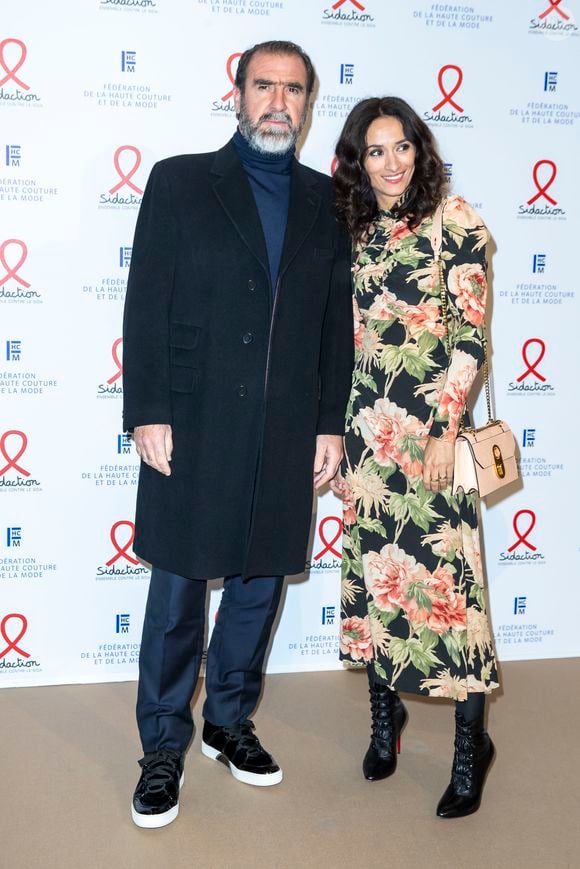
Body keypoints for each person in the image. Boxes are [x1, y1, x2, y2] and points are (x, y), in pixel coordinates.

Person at [122, 40, 353, 828]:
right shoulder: (181, 180)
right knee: (181, 588)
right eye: (265, 86)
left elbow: (332, 327)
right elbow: (145, 302)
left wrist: (330, 423)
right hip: (191, 421)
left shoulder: (328, 200)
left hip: (287, 425)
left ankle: (227, 720)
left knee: (257, 585)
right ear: (239, 93)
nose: (278, 103)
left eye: (293, 89)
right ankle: (161, 744)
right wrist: (146, 409)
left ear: (308, 102)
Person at [331, 97, 498, 818]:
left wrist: (443, 426)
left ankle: (471, 746)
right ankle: (384, 718)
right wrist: (335, 439)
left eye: (401, 147)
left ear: (419, 150)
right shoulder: (353, 230)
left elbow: (471, 336)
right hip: (369, 438)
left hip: (432, 439)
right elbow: (343, 342)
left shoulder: (452, 219)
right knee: (377, 579)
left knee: (451, 592)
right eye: (375, 151)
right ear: (358, 162)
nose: (391, 162)